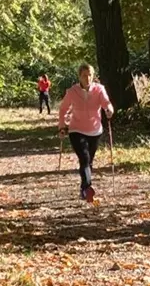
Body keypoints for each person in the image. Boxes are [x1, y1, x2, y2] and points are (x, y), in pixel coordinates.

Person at [58, 63, 114, 202]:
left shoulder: (99, 89)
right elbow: (63, 109)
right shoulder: (72, 92)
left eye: (90, 75)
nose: (87, 78)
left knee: (89, 162)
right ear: (79, 77)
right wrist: (62, 126)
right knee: (84, 158)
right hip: (76, 130)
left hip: (95, 130)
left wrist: (109, 109)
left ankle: (83, 189)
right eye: (84, 76)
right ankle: (88, 189)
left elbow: (106, 103)